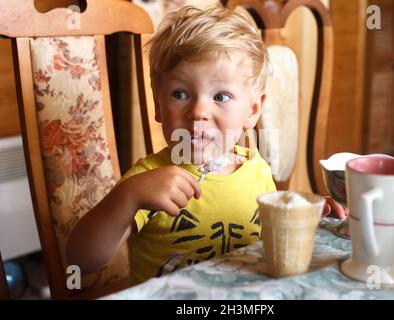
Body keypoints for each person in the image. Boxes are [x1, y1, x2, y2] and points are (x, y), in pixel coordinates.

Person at [66, 4, 346, 285]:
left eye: (221, 96)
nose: (199, 111)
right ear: (159, 106)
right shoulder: (147, 181)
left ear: (252, 110)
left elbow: (269, 241)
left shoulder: (257, 169)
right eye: (180, 94)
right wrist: (127, 197)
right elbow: (82, 259)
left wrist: (304, 211)